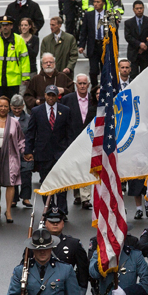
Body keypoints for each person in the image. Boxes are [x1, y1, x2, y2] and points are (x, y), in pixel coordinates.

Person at [24, 85, 74, 214]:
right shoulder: (36, 111)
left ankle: (62, 211)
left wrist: (70, 150)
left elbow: (70, 133)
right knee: (45, 182)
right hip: (43, 152)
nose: (51, 97)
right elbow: (31, 133)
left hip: (60, 153)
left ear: (58, 96)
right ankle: (49, 209)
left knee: (62, 183)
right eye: (49, 95)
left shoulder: (66, 110)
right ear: (45, 95)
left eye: (53, 95)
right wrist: (28, 151)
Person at [61, 73, 96, 209]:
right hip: (72, 139)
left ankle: (86, 198)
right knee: (75, 168)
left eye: (84, 83)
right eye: (80, 83)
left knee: (86, 167)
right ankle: (77, 195)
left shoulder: (93, 100)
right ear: (76, 85)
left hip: (89, 139)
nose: (82, 86)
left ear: (88, 85)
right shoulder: (67, 99)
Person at [0, 15, 31, 102]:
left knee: (12, 105)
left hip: (13, 81)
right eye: (3, 25)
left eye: (7, 25)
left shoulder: (19, 40)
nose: (5, 27)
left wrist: (25, 77)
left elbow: (24, 59)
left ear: (11, 26)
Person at [79, 0, 108, 84]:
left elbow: (114, 34)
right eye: (94, 2)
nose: (95, 4)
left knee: (105, 70)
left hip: (105, 46)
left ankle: (105, 89)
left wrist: (115, 48)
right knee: (93, 71)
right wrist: (81, 46)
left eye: (98, 2)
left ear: (103, 3)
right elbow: (84, 31)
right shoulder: (88, 15)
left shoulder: (108, 15)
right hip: (93, 46)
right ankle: (95, 89)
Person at [10, 95, 33, 208]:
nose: (17, 110)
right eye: (15, 108)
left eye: (19, 108)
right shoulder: (6, 118)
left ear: (23, 106)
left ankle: (26, 198)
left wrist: (31, 151)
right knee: (12, 175)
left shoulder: (29, 118)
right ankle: (13, 199)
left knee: (26, 174)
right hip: (10, 152)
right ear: (11, 107)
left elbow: (32, 135)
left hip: (25, 151)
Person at [124, 1, 148, 80]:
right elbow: (128, 37)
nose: (139, 10)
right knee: (133, 76)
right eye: (137, 8)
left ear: (143, 9)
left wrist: (145, 46)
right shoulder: (128, 23)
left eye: (141, 8)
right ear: (133, 10)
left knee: (145, 76)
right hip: (133, 53)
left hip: (146, 54)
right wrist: (139, 44)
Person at [18, 18, 39, 83]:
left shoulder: (35, 39)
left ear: (30, 26)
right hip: (19, 70)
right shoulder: (16, 38)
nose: (23, 27)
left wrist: (25, 45)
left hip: (31, 69)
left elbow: (34, 54)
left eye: (25, 25)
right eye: (22, 25)